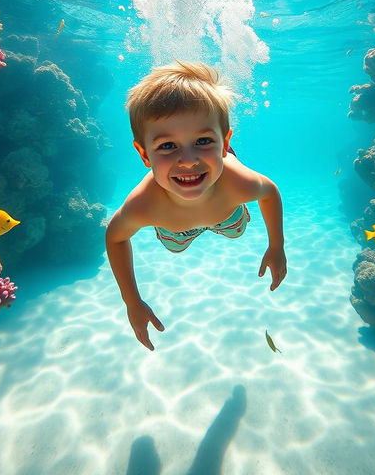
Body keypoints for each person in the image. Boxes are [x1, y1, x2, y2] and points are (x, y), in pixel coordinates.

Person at [105, 61, 287, 350]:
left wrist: (276, 246)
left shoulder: (240, 184)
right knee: (176, 246)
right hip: (176, 230)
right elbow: (115, 238)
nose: (188, 160)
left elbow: (270, 193)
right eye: (167, 146)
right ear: (144, 154)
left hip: (226, 213)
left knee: (237, 229)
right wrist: (132, 301)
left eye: (203, 141)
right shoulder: (143, 205)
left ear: (225, 142)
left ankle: (219, 157)